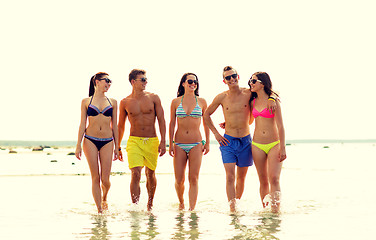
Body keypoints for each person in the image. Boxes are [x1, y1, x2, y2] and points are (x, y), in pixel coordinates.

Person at [203, 66, 276, 212]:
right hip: (228, 141)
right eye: (228, 77)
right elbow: (206, 115)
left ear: (238, 76)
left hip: (246, 141)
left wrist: (272, 98)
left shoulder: (249, 93)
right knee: (230, 176)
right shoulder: (221, 97)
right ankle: (232, 210)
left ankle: (238, 203)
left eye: (233, 76)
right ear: (224, 81)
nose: (231, 79)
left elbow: (269, 91)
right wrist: (216, 135)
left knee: (241, 178)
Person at [118, 69, 166, 211]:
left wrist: (164, 141)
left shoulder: (154, 98)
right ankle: (136, 207)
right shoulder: (125, 102)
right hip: (134, 141)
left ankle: (150, 205)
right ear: (133, 82)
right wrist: (118, 146)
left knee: (150, 173)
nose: (146, 82)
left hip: (152, 140)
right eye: (142, 79)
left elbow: (162, 120)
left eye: (146, 79)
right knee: (136, 172)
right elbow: (120, 126)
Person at [75, 72, 119, 213]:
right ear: (97, 82)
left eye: (110, 81)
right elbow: (82, 124)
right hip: (90, 140)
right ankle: (100, 210)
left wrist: (117, 147)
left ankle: (104, 198)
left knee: (105, 179)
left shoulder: (113, 102)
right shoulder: (86, 102)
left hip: (107, 141)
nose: (108, 83)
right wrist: (78, 145)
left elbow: (115, 126)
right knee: (96, 177)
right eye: (106, 80)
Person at [169, 73, 210, 211]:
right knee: (179, 180)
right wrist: (170, 143)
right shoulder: (175, 102)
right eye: (190, 81)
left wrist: (208, 142)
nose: (193, 84)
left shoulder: (202, 101)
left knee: (193, 178)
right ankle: (181, 203)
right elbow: (171, 124)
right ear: (183, 83)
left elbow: (206, 123)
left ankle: (192, 209)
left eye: (195, 82)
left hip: (196, 143)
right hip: (179, 143)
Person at [248, 72, 286, 213]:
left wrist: (282, 147)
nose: (251, 83)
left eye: (253, 81)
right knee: (263, 180)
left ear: (262, 83)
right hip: (257, 144)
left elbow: (281, 126)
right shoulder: (252, 101)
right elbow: (247, 119)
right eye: (250, 81)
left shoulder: (274, 102)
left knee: (274, 178)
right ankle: (265, 211)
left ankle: (275, 211)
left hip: (274, 144)